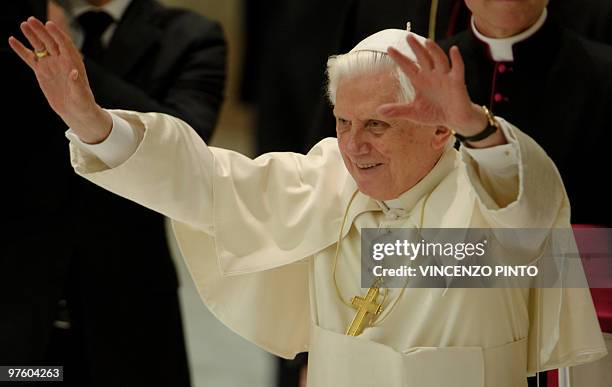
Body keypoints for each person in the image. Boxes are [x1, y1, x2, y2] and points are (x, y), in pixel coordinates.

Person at [9, 17, 607, 386]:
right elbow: (208, 181)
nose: (354, 146)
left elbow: (535, 219)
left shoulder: (490, 183)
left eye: (376, 124)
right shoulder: (329, 174)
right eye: (344, 122)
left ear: (438, 126)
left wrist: (476, 127)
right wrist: (91, 122)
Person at [1, 1, 226, 386]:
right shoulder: (21, 27)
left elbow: (188, 151)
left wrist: (69, 59)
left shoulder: (191, 35)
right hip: (21, 310)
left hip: (129, 308)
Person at [439, 1, 612, 385]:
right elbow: (382, 244)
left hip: (588, 346)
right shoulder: (420, 77)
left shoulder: (604, 73)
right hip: (448, 342)